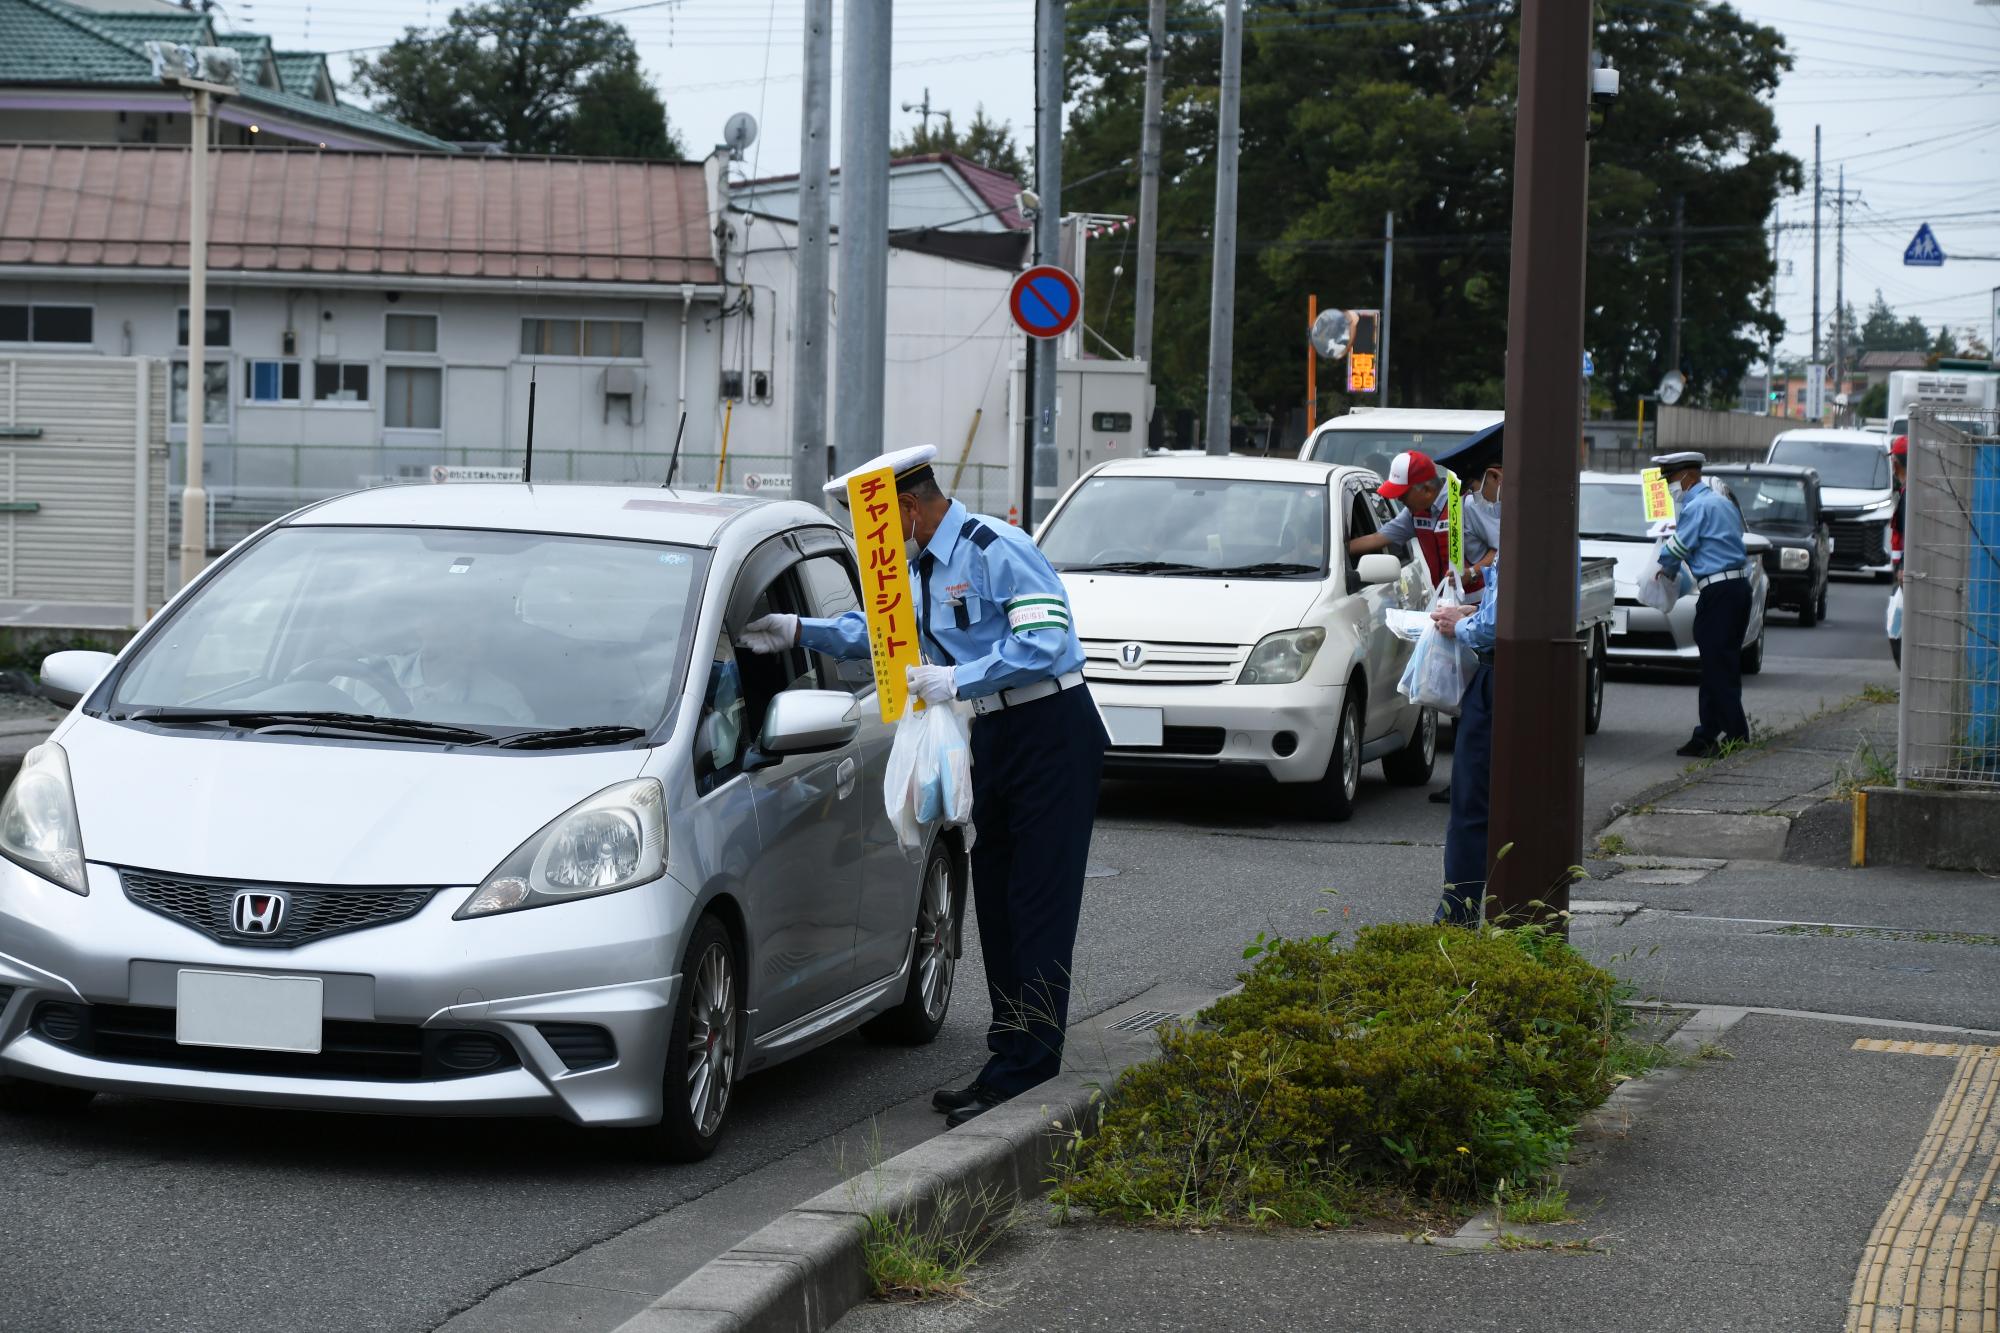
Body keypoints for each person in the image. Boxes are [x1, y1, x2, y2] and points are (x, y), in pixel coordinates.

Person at [737, 445, 1106, 1128]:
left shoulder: (995, 546)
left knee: (1038, 899)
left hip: (1052, 727)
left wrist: (957, 679)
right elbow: (876, 636)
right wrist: (795, 629)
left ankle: (1028, 1065)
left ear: (906, 505)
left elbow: (1047, 638)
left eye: (873, 521)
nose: (874, 539)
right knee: (994, 894)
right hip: (997, 733)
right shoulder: (918, 569)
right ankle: (1010, 1051)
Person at [1648, 451, 1750, 759]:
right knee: (1720, 664)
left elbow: (1677, 548)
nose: (1669, 489)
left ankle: (1736, 736)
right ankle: (1707, 735)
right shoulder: (1722, 502)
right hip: (1735, 589)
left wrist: (1663, 566)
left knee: (1717, 666)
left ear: (1688, 477)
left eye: (1671, 481)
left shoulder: (1697, 506)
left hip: (1718, 591)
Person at [1427, 460, 1502, 806]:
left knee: (1477, 740)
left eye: (1480, 483)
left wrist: (1460, 622)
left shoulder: (1507, 524)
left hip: (1488, 651)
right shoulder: (1461, 506)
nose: (1475, 493)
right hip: (1472, 617)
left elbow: (1496, 621)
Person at [1430, 558, 1498, 926]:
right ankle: (1523, 917)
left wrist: (1462, 623)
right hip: (1536, 675)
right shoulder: (1561, 525)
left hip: (1497, 672)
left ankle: (1457, 918)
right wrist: (1476, 610)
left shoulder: (1520, 532)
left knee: (1471, 804)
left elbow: (1495, 626)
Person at [1347, 450, 1491, 592]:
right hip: (1447, 605)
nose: (1399, 499)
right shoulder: (1413, 513)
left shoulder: (1467, 503)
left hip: (1480, 604)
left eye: (1403, 494)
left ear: (1427, 490)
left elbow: (1502, 549)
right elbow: (1377, 538)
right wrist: (1332, 551)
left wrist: (1473, 573)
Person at [1889, 433, 1908, 584]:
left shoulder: (1909, 496)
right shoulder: (1906, 491)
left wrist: (1902, 565)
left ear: (1896, 463)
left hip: (1904, 572)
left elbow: (1909, 534)